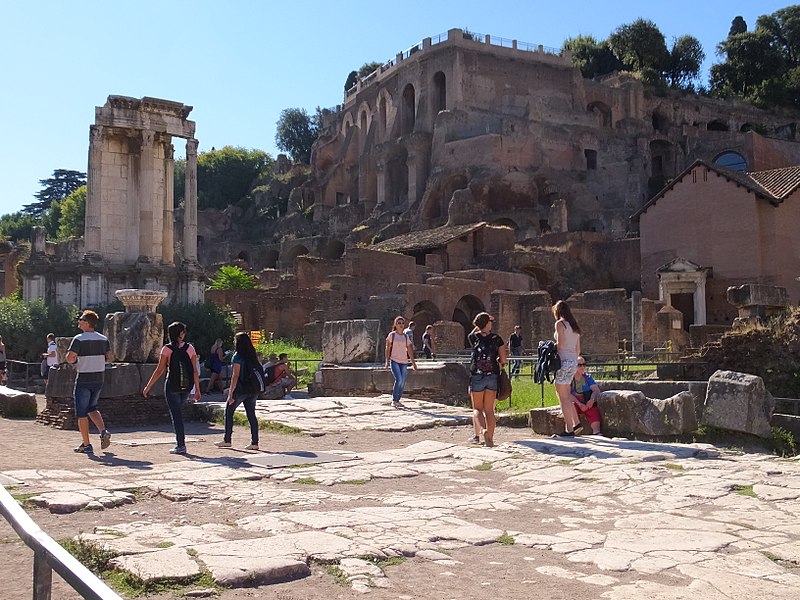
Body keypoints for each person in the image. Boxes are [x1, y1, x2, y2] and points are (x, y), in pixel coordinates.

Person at [143, 321, 201, 455]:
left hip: (172, 385)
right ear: (180, 334)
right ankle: (180, 443)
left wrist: (148, 386)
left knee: (176, 415)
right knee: (178, 411)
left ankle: (181, 445)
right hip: (187, 386)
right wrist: (197, 389)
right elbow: (194, 371)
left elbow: (160, 370)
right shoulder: (190, 348)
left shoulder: (167, 349)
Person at [66, 310, 112, 454]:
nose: (79, 322)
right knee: (92, 408)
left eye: (81, 319)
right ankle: (103, 431)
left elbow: (69, 357)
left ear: (87, 322)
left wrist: (75, 360)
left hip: (84, 378)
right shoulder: (103, 339)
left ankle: (86, 444)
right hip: (99, 378)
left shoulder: (79, 339)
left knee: (81, 413)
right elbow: (110, 357)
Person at [215, 332, 261, 451]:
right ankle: (254, 442)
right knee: (251, 414)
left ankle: (227, 440)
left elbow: (235, 375)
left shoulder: (237, 356)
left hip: (241, 389)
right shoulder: (252, 355)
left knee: (229, 412)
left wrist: (231, 393)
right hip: (253, 389)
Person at [468, 312, 506, 447]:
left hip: (477, 376)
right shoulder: (497, 339)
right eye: (490, 322)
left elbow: (475, 330)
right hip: (492, 376)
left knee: (477, 409)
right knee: (489, 410)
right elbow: (503, 359)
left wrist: (480, 323)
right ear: (488, 323)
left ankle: (483, 430)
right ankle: (490, 437)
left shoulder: (473, 337)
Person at [552, 300, 582, 437]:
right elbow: (578, 349)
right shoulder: (574, 327)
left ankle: (569, 429)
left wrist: (551, 348)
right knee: (567, 394)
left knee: (562, 396)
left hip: (563, 361)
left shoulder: (560, 324)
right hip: (573, 362)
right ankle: (576, 423)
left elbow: (560, 344)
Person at [385, 316, 417, 408]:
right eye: (399, 323)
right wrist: (387, 362)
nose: (401, 325)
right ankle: (394, 400)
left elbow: (410, 350)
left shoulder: (406, 337)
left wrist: (413, 363)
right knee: (398, 379)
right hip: (394, 360)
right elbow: (387, 348)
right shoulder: (392, 335)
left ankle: (398, 400)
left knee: (402, 381)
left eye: (402, 323)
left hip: (403, 361)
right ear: (395, 324)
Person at [571, 357, 602, 435]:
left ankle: (596, 432)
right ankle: (571, 430)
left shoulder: (587, 377)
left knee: (593, 410)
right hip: (575, 401)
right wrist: (579, 404)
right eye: (579, 365)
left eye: (584, 365)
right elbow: (568, 394)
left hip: (586, 400)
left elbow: (596, 390)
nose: (582, 367)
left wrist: (592, 400)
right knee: (570, 407)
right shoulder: (570, 379)